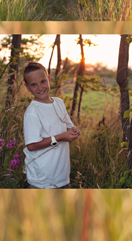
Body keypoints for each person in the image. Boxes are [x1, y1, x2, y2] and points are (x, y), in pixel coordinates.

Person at [21, 61, 80, 189]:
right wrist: (61, 137)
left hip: (62, 176)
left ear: (48, 79)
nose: (40, 88)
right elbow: (31, 146)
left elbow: (69, 127)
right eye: (34, 85)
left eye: (43, 81)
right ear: (27, 87)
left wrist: (73, 131)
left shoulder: (59, 103)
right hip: (42, 179)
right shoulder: (33, 112)